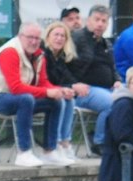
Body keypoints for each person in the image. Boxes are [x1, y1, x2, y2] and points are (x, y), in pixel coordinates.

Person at [0, 22, 72, 167]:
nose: (34, 42)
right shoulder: (10, 52)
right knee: (26, 99)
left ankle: (49, 151)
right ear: (20, 37)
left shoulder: (39, 55)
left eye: (37, 38)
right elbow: (16, 88)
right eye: (30, 37)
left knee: (55, 102)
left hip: (13, 98)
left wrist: (59, 90)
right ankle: (24, 153)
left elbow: (43, 82)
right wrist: (47, 92)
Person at [44, 22, 111, 162]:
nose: (59, 38)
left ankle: (65, 144)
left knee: (69, 98)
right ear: (48, 37)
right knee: (62, 99)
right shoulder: (44, 55)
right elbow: (46, 80)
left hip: (57, 91)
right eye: (56, 35)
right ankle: (54, 145)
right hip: (43, 92)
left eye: (63, 36)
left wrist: (72, 86)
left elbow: (64, 77)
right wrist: (70, 87)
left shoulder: (61, 57)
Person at [72, 6, 122, 147]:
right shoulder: (77, 38)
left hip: (107, 88)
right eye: (97, 19)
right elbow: (65, 66)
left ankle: (121, 140)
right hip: (84, 90)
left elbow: (113, 68)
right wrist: (74, 84)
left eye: (104, 21)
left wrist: (117, 80)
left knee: (130, 99)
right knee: (111, 104)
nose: (100, 24)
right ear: (88, 20)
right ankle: (99, 142)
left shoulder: (106, 43)